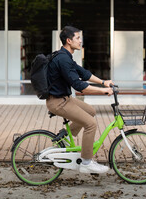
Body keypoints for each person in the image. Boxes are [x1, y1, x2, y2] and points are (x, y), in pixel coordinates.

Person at [46, 26, 114, 174]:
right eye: (78, 38)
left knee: (91, 111)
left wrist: (103, 82)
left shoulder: (66, 56)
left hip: (65, 98)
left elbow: (83, 73)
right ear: (69, 41)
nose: (80, 40)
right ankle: (86, 162)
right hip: (58, 102)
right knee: (90, 124)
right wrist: (103, 91)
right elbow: (79, 86)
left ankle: (64, 134)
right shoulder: (63, 59)